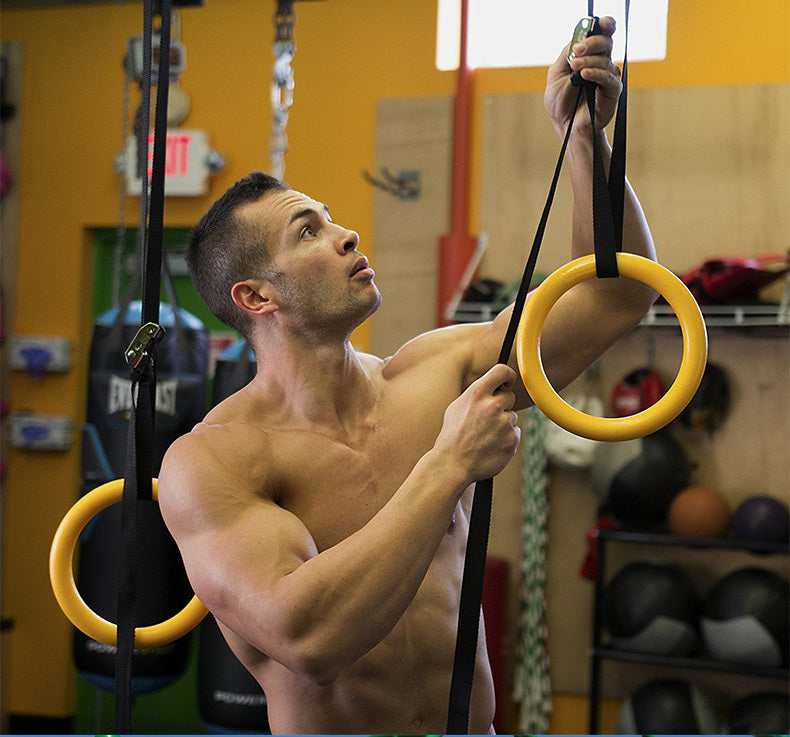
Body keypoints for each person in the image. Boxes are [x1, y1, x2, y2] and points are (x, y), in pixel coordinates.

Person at [158, 17, 656, 735]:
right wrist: (447, 464)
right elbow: (310, 637)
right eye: (307, 230)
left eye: (330, 219)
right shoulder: (215, 459)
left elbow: (615, 295)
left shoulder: (437, 372)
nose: (345, 234)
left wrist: (583, 140)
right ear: (256, 297)